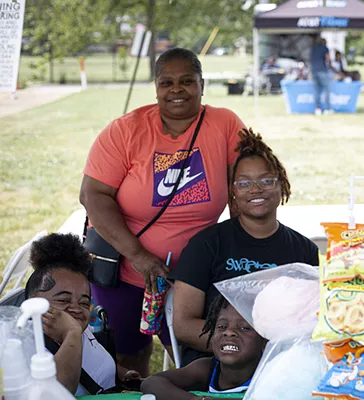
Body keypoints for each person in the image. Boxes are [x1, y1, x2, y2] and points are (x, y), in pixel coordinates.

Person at [79, 47, 245, 376]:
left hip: (194, 278)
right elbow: (93, 195)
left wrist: (235, 247)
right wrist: (138, 256)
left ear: (201, 84)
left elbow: (244, 183)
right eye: (166, 82)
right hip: (125, 273)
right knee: (124, 364)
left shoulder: (224, 124)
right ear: (156, 87)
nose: (176, 89)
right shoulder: (125, 130)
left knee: (198, 364)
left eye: (187, 81)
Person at [168, 128, 319, 366]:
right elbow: (184, 325)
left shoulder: (304, 251)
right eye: (244, 182)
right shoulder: (207, 244)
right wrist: (241, 345)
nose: (256, 189)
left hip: (281, 364)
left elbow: (315, 322)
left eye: (267, 180)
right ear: (233, 191)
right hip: (216, 363)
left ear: (283, 185)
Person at [24, 233, 140, 396]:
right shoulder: (32, 348)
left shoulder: (77, 325)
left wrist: (119, 373)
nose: (76, 308)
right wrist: (71, 333)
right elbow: (59, 392)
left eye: (84, 302)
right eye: (64, 300)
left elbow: (93, 355)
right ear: (35, 303)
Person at [141, 294, 267, 399]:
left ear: (265, 341)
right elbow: (152, 382)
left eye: (244, 328)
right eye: (222, 327)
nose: (229, 332)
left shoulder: (270, 375)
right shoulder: (207, 368)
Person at [310, 37, 332, 115]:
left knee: (316, 91)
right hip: (322, 70)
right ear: (324, 42)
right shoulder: (324, 48)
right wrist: (330, 66)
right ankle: (327, 109)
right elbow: (328, 58)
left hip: (313, 71)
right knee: (327, 88)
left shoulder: (313, 48)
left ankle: (317, 109)